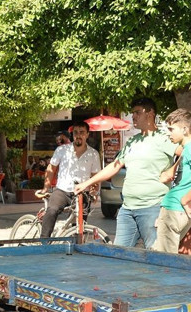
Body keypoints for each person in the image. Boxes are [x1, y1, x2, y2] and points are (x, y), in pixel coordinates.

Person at [75, 98, 177, 248]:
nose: (133, 116)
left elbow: (188, 152)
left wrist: (172, 170)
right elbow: (114, 167)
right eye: (132, 113)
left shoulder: (163, 139)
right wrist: (87, 183)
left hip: (152, 207)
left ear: (150, 114)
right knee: (119, 256)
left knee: (156, 257)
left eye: (137, 112)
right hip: (127, 208)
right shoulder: (132, 141)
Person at [153, 109, 191, 253]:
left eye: (171, 129)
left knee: (163, 260)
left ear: (185, 129)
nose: (168, 133)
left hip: (175, 209)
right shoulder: (190, 149)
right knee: (164, 256)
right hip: (178, 209)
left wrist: (185, 200)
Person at [39, 120, 101, 237]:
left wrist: (94, 191)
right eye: (76, 132)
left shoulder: (93, 154)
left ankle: (75, 246)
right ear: (72, 135)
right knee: (52, 210)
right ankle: (43, 242)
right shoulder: (62, 150)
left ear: (87, 134)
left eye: (82, 132)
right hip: (62, 190)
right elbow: (51, 168)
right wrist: (45, 188)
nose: (78, 135)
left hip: (82, 193)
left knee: (79, 226)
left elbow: (95, 176)